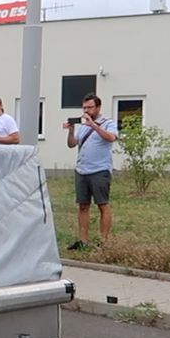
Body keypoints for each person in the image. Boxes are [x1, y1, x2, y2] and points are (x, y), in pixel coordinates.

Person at [64, 94, 118, 250]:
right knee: (83, 206)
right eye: (84, 107)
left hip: (100, 170)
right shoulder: (83, 126)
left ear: (98, 108)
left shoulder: (108, 123)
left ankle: (104, 241)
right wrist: (71, 131)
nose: (86, 110)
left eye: (90, 107)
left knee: (103, 204)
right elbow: (72, 144)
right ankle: (83, 241)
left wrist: (94, 125)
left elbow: (111, 138)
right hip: (82, 170)